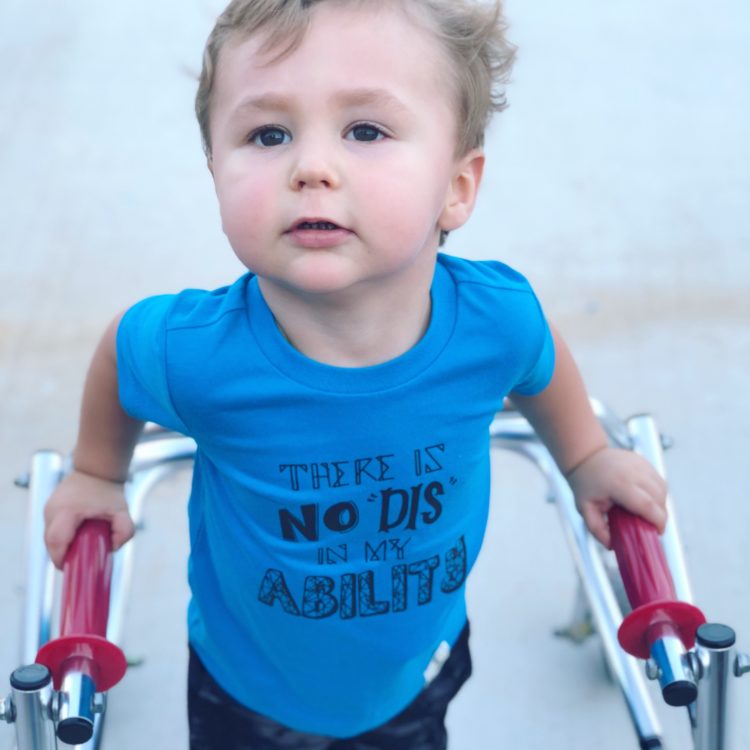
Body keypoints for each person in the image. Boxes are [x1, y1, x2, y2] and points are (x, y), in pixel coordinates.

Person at [43, 1, 668, 748]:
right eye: (267, 134)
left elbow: (538, 363)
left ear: (457, 188)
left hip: (418, 666)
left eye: (366, 131)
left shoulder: (492, 322)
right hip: (245, 683)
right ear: (215, 169)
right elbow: (121, 356)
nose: (311, 167)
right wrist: (97, 474)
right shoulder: (196, 353)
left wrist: (586, 456)